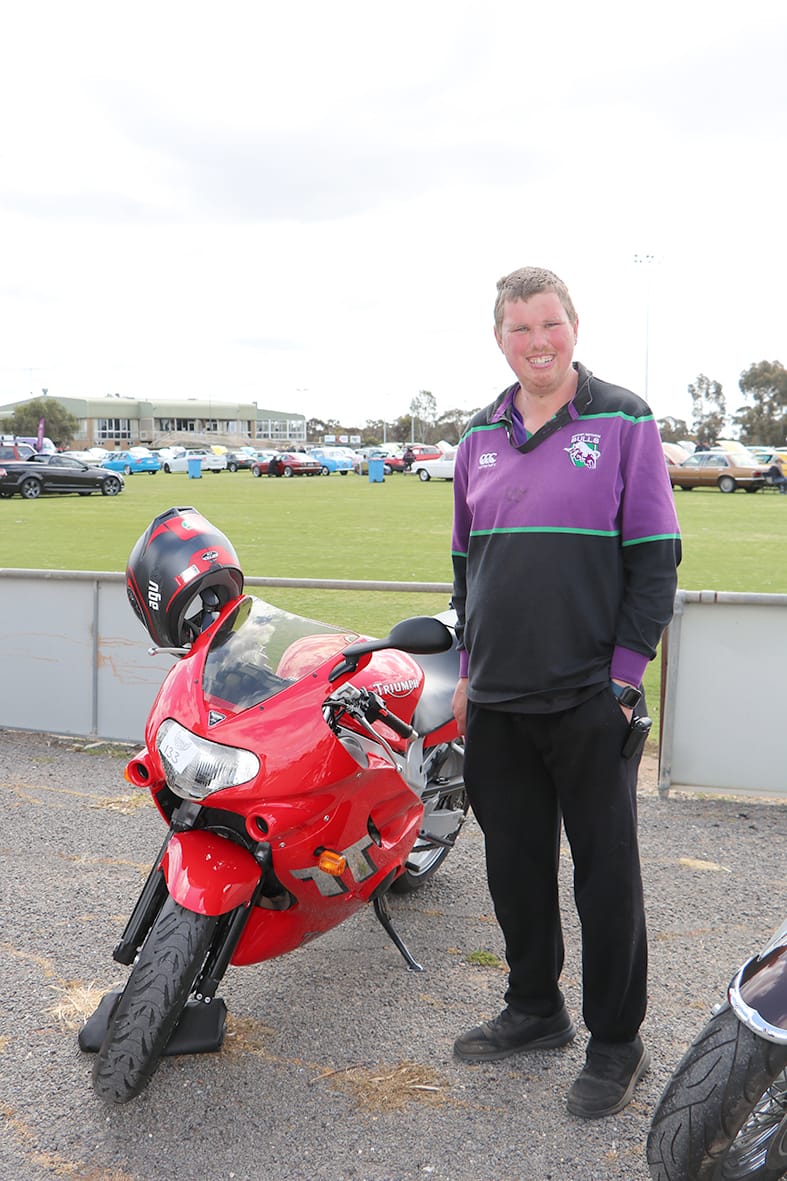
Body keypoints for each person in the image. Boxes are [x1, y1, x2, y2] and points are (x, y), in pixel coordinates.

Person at [450, 266, 681, 1119]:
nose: (536, 342)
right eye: (519, 329)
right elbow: (464, 567)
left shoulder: (623, 420)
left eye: (549, 324)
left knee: (605, 876)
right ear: (500, 339)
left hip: (589, 697)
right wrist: (471, 675)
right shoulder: (477, 432)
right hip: (501, 700)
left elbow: (654, 559)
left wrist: (622, 680)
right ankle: (533, 1009)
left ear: (573, 327)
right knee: (513, 866)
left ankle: (617, 1042)